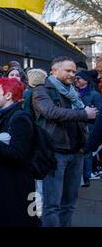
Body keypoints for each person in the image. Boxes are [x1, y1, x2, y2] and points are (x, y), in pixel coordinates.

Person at [32, 56, 98, 227]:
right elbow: (52, 113)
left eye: (74, 71)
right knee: (52, 205)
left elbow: (83, 114)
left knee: (69, 204)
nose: (72, 74)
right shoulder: (41, 91)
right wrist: (84, 114)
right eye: (68, 70)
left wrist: (89, 116)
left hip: (77, 153)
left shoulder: (73, 92)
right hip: (55, 153)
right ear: (54, 70)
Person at [0, 78, 40, 227]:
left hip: (15, 186)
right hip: (4, 181)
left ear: (8, 96)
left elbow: (17, 154)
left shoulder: (20, 118)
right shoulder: (6, 115)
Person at [74, 70, 102, 187]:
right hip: (77, 128)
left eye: (78, 78)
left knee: (87, 153)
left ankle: (86, 177)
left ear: (86, 80)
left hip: (89, 128)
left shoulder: (94, 94)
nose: (76, 80)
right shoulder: (73, 93)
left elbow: (99, 113)